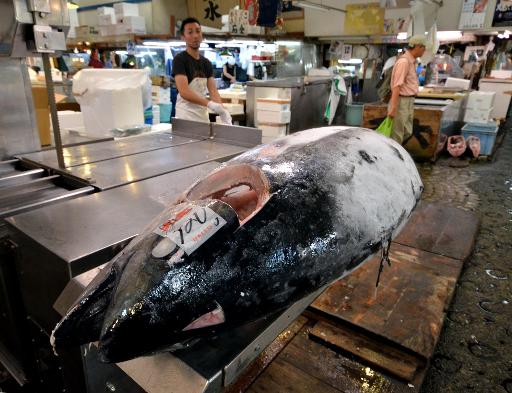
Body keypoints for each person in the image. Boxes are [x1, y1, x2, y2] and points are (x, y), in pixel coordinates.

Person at [172, 17, 231, 124]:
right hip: (185, 117)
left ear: (202, 35)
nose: (195, 36)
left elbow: (213, 91)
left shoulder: (206, 63)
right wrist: (209, 104)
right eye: (190, 32)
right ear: (183, 37)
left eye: (198, 31)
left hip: (202, 118)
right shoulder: (180, 60)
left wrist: (223, 111)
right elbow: (184, 91)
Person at [387, 35, 426, 145]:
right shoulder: (404, 62)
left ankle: (395, 152)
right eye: (424, 48)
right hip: (401, 101)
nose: (424, 51)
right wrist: (393, 106)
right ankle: (393, 157)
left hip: (409, 101)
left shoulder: (412, 61)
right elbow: (397, 85)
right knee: (397, 134)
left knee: (407, 131)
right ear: (418, 47)